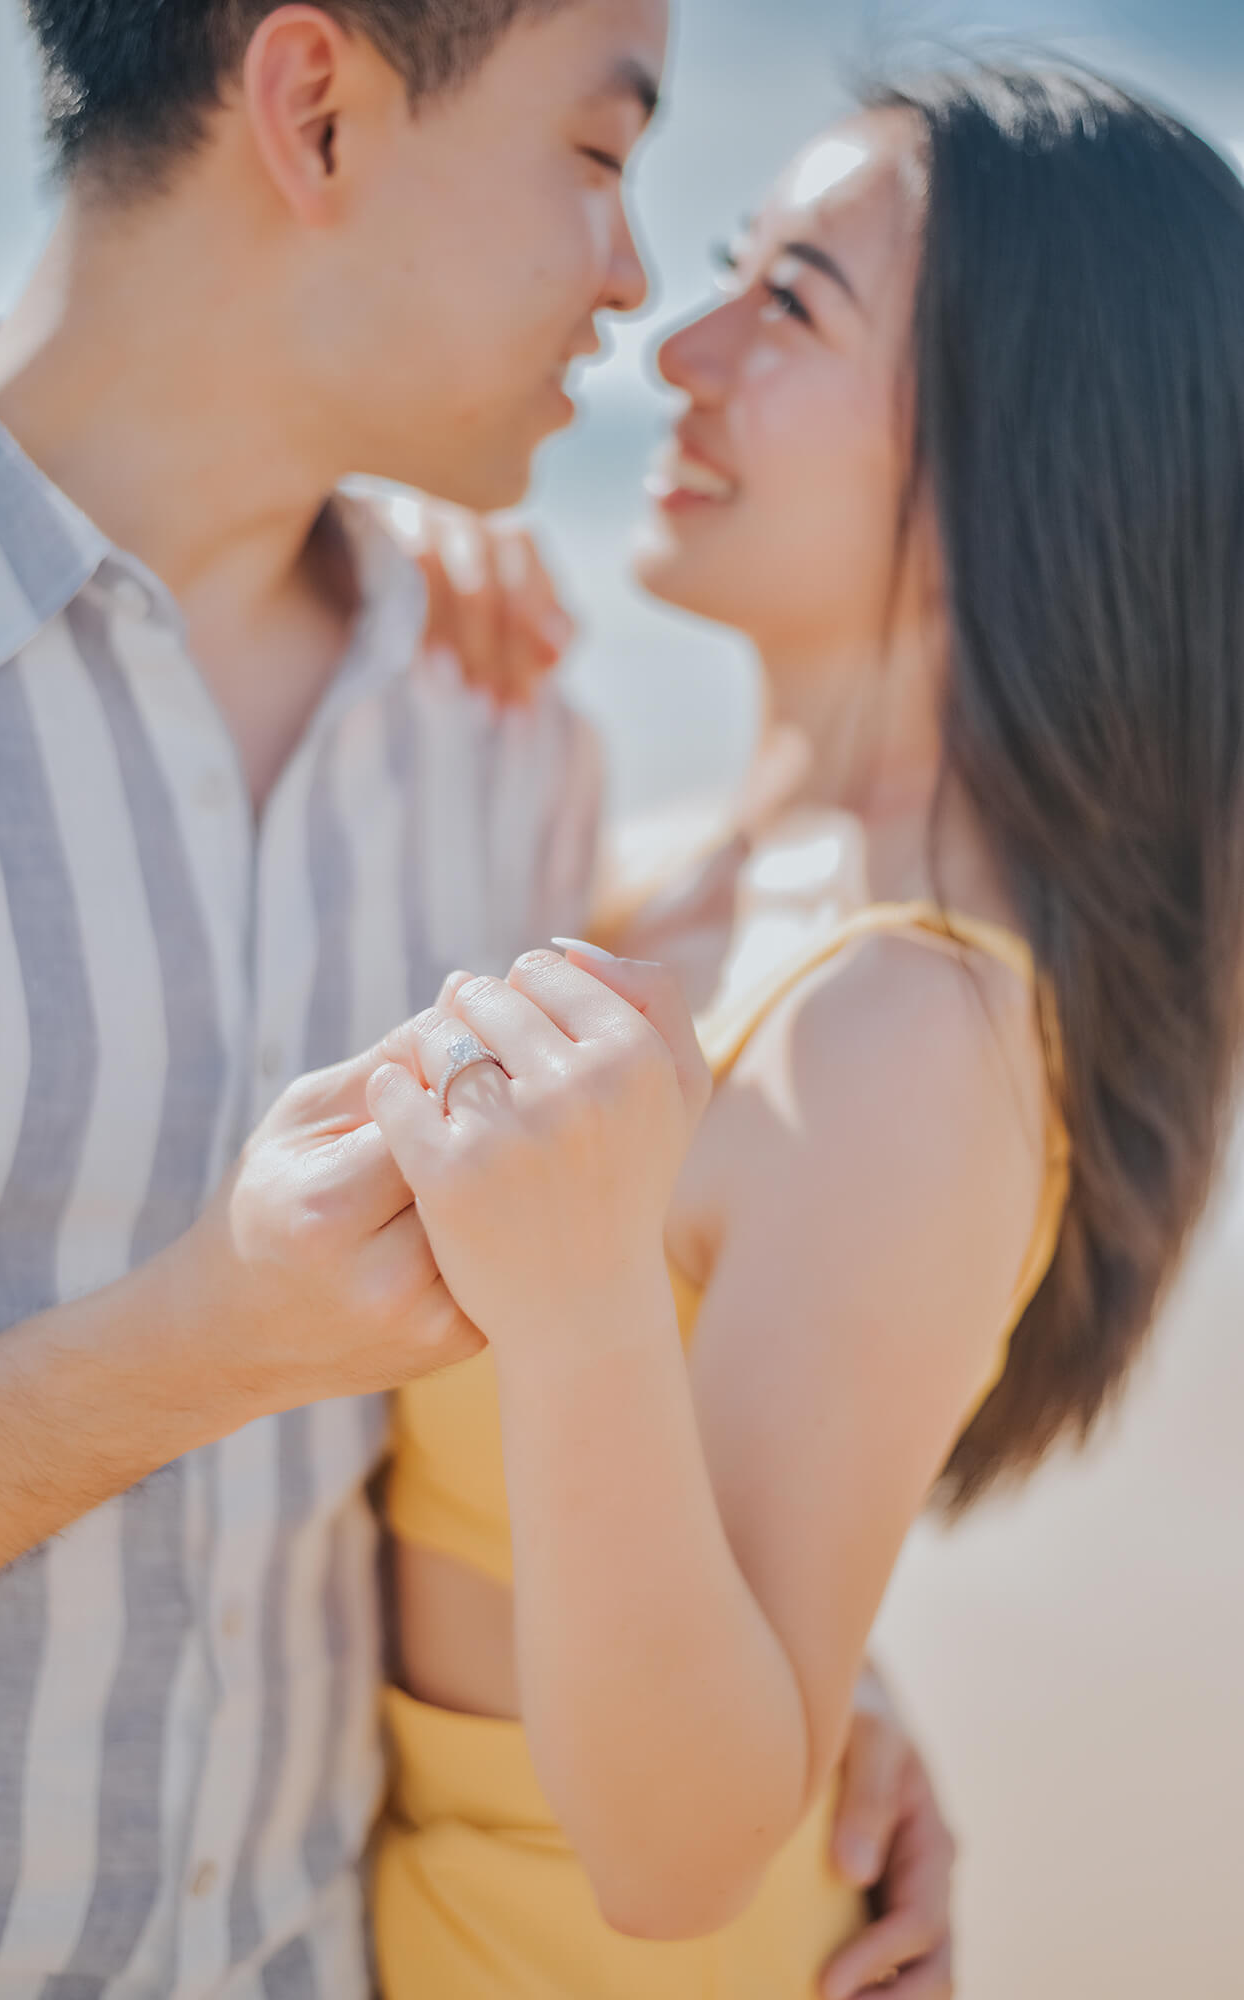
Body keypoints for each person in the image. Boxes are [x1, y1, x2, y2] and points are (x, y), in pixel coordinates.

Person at [0, 3, 951, 1994]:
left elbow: (556, 1376)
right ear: (313, 109)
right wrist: (186, 1346)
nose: (642, 278)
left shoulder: (504, 737)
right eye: (595, 154)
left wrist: (810, 1679)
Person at [365, 65, 1244, 1999]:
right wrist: (379, 594)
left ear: (1031, 446)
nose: (672, 351)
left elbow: (686, 1852)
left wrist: (580, 1301)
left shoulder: (903, 1031)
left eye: (791, 306)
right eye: (722, 274)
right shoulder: (655, 861)